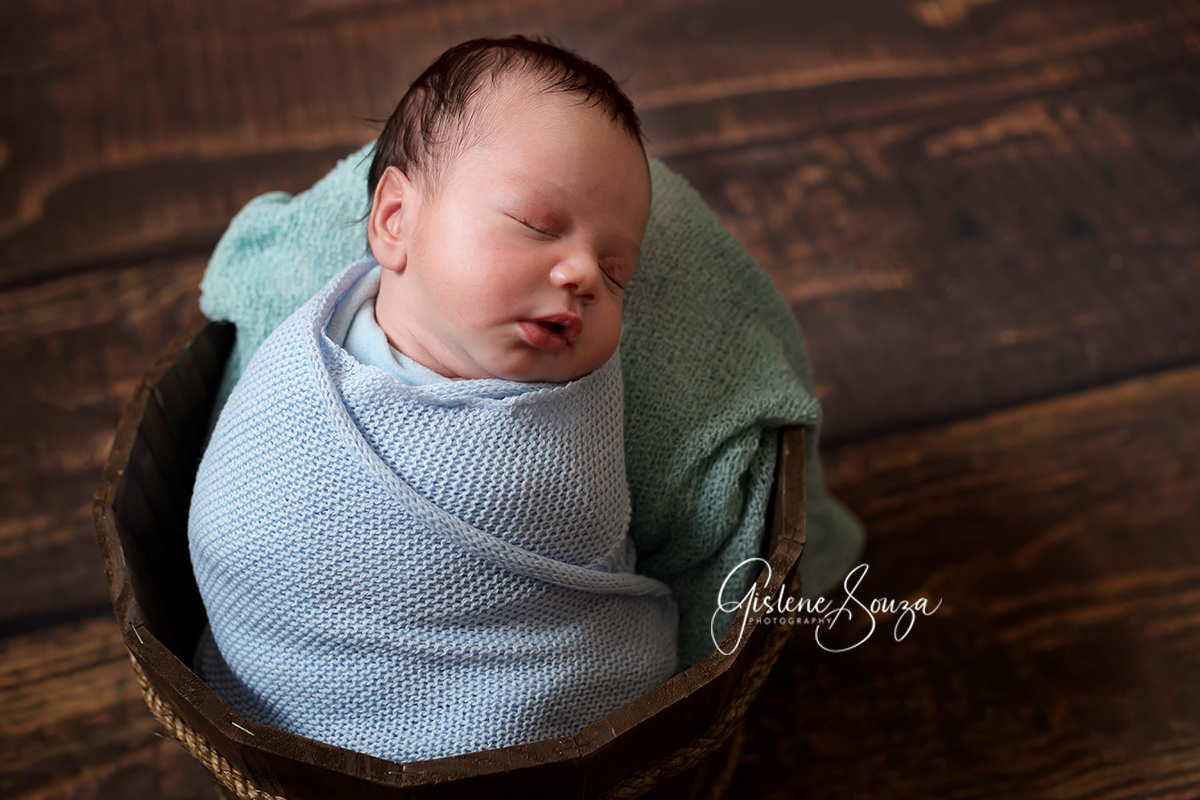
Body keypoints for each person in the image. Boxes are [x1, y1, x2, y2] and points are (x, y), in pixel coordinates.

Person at [188, 37, 679, 765]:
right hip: (285, 697)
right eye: (537, 225)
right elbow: (237, 517)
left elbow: (585, 528)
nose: (582, 274)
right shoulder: (309, 358)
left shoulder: (565, 420)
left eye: (616, 274)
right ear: (396, 220)